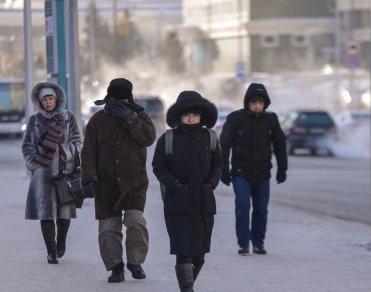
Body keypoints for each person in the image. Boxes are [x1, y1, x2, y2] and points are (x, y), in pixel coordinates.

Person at [81, 78, 156, 283]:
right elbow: (88, 152)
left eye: (123, 98)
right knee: (108, 229)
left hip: (134, 182)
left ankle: (135, 262)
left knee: (136, 222)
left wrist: (132, 120)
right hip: (105, 184)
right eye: (115, 98)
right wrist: (88, 178)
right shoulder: (97, 121)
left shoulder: (140, 116)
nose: (119, 101)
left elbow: (149, 138)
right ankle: (115, 267)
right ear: (108, 97)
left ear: (129, 97)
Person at [152, 91, 222, 291]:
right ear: (179, 116)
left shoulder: (210, 137)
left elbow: (218, 163)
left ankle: (188, 285)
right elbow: (158, 166)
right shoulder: (168, 138)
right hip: (178, 201)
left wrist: (211, 184)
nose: (191, 117)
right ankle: (187, 289)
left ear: (201, 116)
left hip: (204, 201)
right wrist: (175, 184)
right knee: (183, 251)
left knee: (200, 253)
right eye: (187, 114)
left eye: (195, 114)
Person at [219, 83, 287, 256]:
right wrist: (223, 170)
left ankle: (258, 243)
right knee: (242, 205)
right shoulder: (235, 119)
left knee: (261, 209)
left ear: (265, 104)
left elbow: (280, 144)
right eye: (254, 102)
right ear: (247, 102)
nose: (257, 105)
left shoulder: (271, 120)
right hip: (240, 172)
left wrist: (282, 169)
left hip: (262, 173)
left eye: (261, 102)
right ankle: (243, 243)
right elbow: (224, 145)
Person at [22, 81, 81, 264]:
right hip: (43, 176)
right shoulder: (34, 120)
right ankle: (51, 251)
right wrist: (36, 163)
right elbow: (27, 146)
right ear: (39, 101)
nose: (48, 102)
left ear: (57, 99)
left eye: (51, 98)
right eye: (45, 99)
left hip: (64, 172)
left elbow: (78, 141)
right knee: (46, 213)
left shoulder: (67, 118)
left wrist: (63, 151)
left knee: (64, 214)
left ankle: (61, 243)